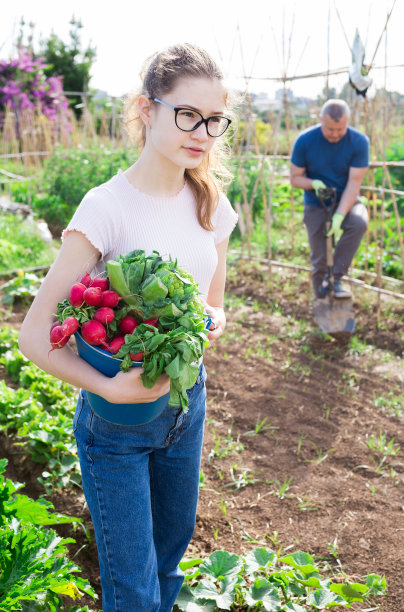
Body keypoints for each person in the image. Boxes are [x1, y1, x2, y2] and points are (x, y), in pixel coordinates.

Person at [18, 43, 238, 612]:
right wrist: (110, 386)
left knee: (168, 565)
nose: (202, 132)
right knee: (134, 592)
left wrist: (205, 325)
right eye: (186, 114)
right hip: (115, 423)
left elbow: (217, 305)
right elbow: (34, 332)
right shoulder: (106, 207)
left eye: (214, 120)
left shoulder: (212, 203)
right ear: (147, 108)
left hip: (186, 410)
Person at [290, 99, 369, 299]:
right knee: (320, 260)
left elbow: (354, 184)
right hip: (317, 204)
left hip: (347, 200)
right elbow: (295, 179)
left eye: (340, 129)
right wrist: (313, 183)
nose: (335, 134)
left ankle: (335, 278)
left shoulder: (359, 142)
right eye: (330, 129)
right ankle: (322, 302)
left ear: (348, 122)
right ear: (320, 120)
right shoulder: (305, 140)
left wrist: (340, 216)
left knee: (359, 222)